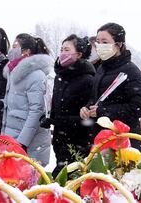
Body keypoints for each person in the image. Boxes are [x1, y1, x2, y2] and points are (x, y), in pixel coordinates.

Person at [80, 23, 141, 149]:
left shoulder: (131, 71)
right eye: (98, 42)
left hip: (124, 141)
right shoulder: (101, 68)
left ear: (118, 45)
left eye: (105, 42)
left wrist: (103, 111)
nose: (100, 46)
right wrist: (87, 108)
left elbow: (140, 107)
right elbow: (96, 98)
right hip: (102, 137)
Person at [41, 34, 96, 174]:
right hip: (60, 139)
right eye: (61, 49)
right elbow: (57, 105)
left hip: (78, 141)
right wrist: (49, 118)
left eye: (67, 50)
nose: (62, 53)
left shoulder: (88, 79)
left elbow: (87, 116)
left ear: (78, 54)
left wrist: (61, 120)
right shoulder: (60, 76)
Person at [1, 33, 54, 166]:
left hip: (29, 144)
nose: (11, 50)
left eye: (15, 46)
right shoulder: (14, 73)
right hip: (13, 139)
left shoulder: (35, 75)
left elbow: (37, 111)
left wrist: (21, 142)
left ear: (26, 52)